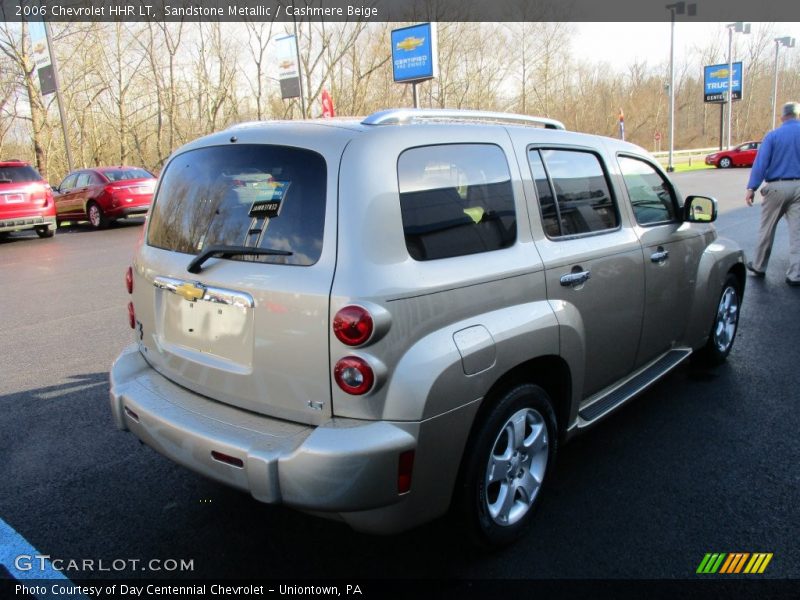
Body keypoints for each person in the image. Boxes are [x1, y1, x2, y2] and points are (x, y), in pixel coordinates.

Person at [744, 101, 800, 286]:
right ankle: (795, 275)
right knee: (797, 234)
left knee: (766, 229)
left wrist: (752, 187)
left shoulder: (773, 136)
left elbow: (761, 164)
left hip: (776, 187)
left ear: (783, 116)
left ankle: (759, 266)